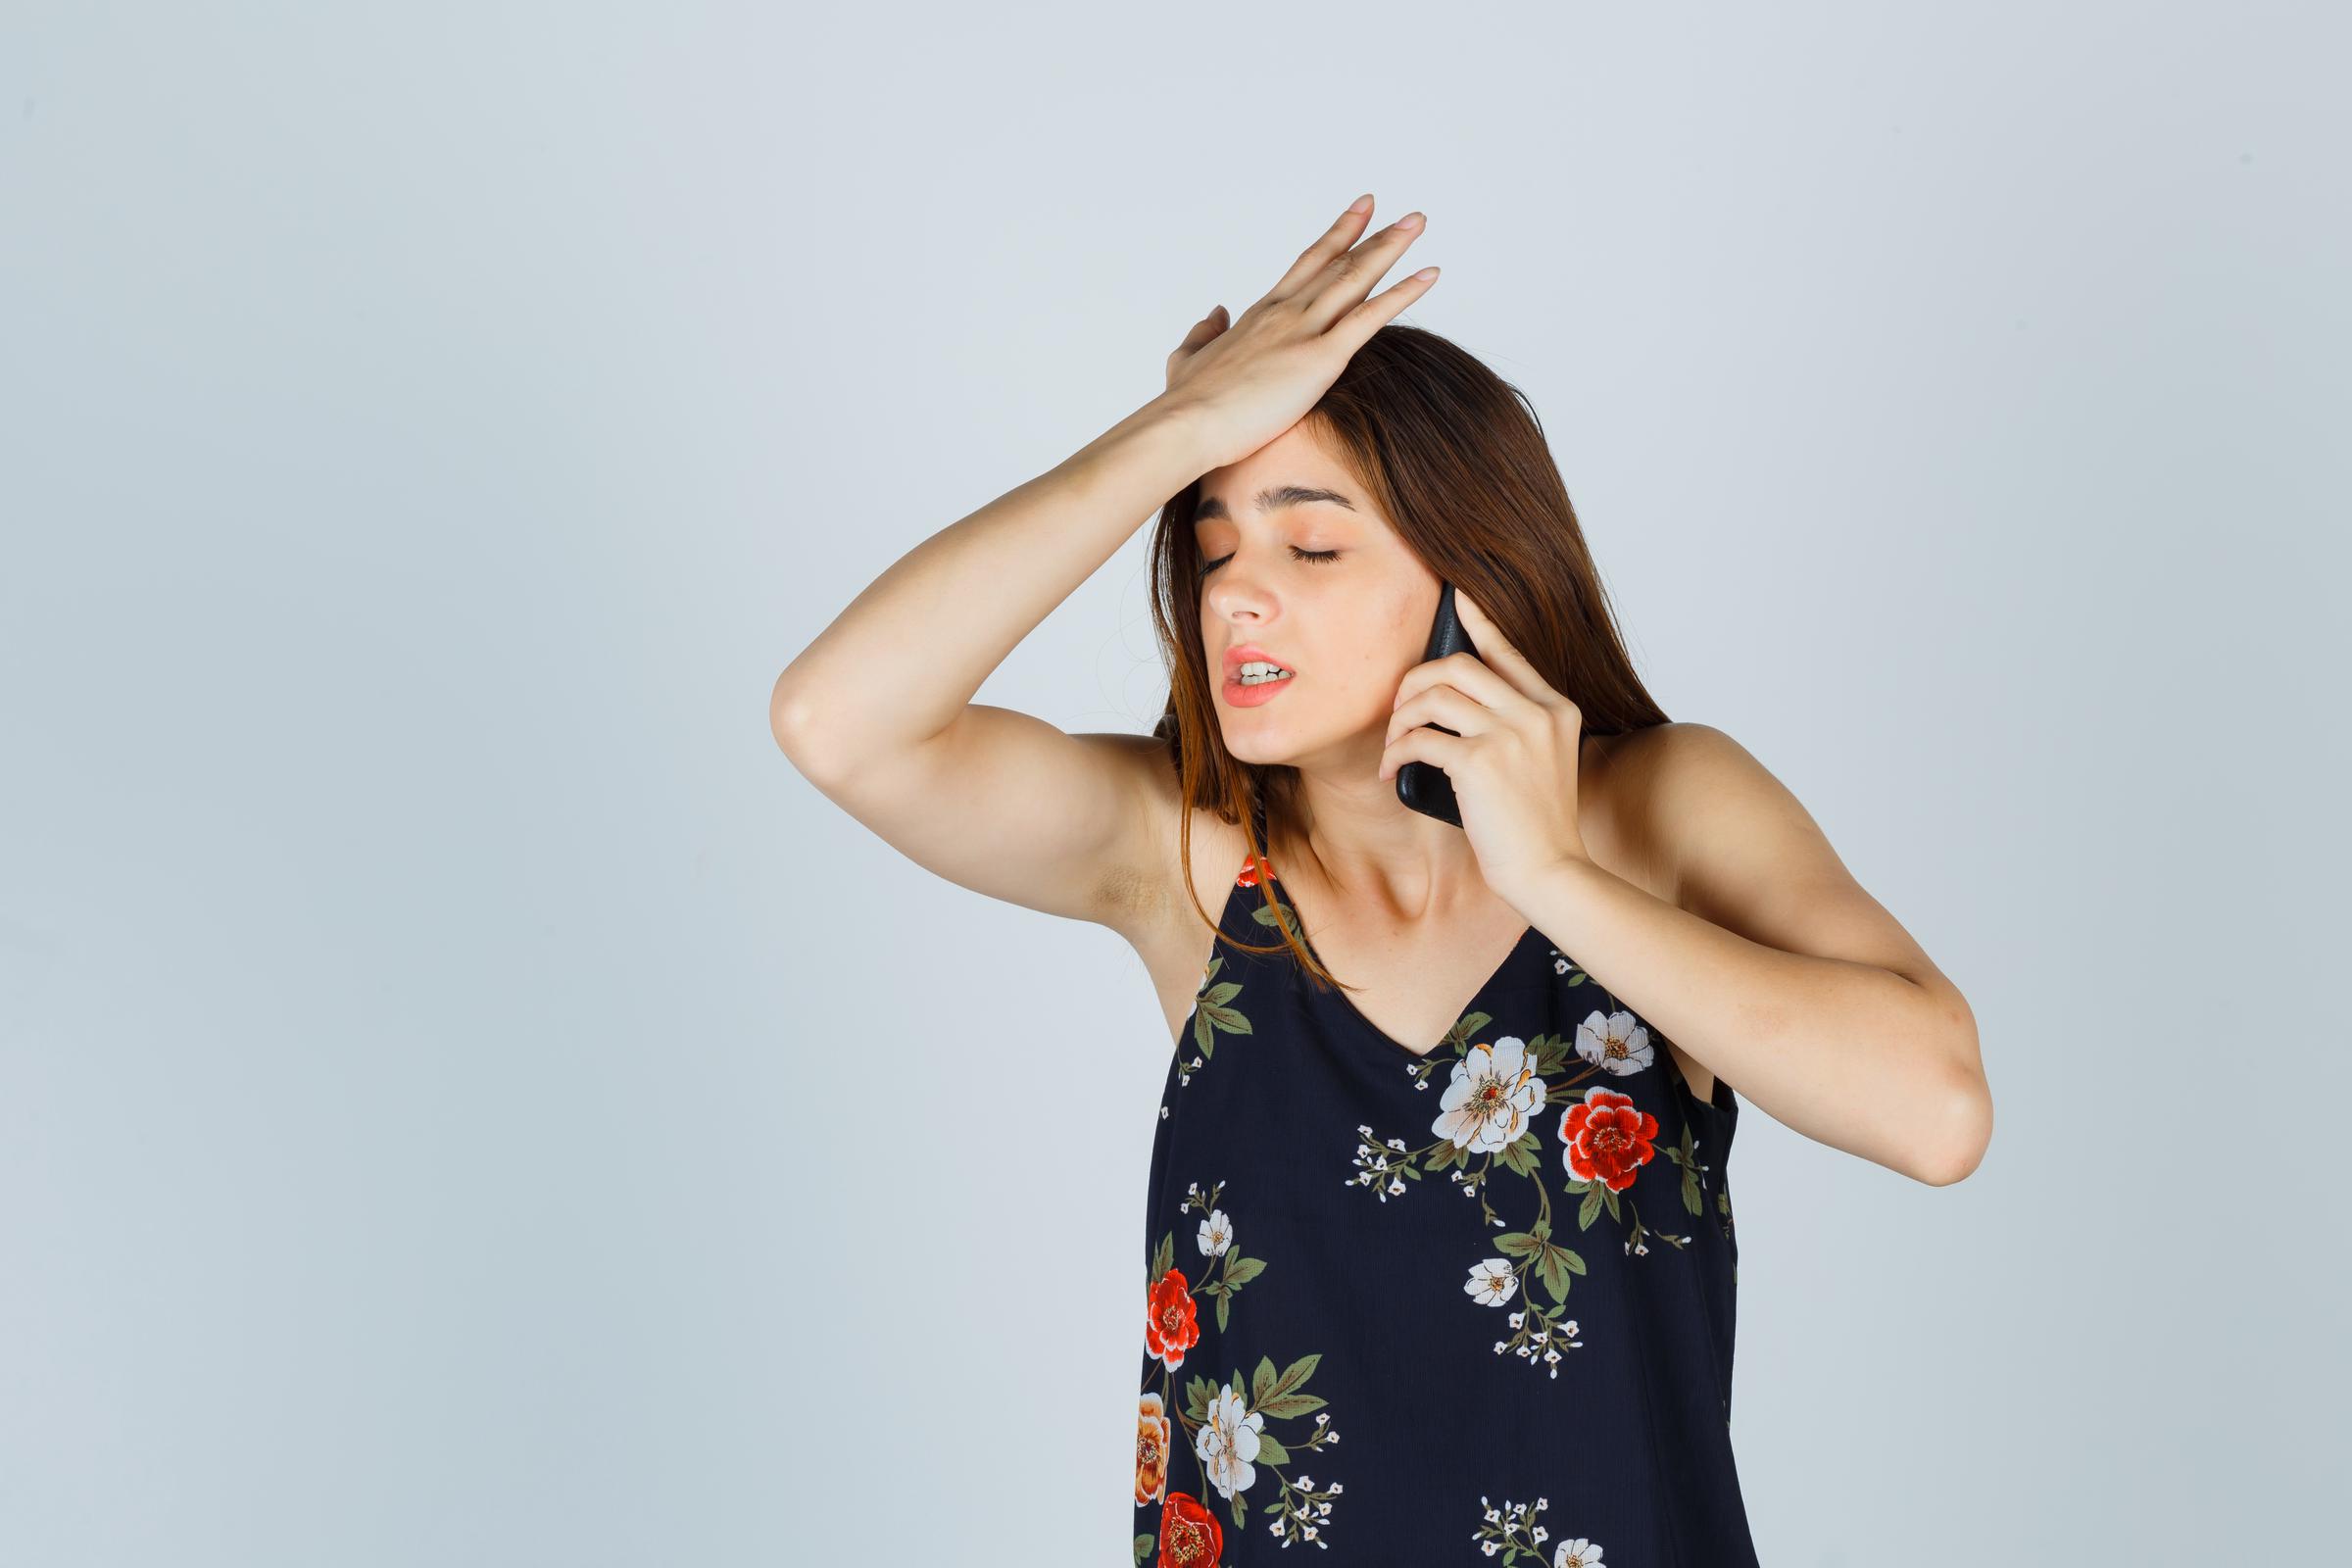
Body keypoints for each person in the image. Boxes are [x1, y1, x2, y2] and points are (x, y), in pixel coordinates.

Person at [770, 195, 1991, 1567]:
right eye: (1213, 542)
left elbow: (1937, 1113)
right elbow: (841, 721)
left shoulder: (1663, 807)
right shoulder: (1181, 856)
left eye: (1311, 543)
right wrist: (1172, 434)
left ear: (1475, 580)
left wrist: (1551, 872)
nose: (1237, 593)